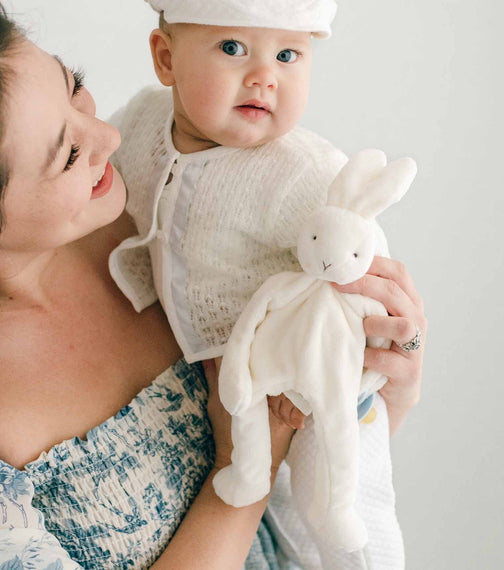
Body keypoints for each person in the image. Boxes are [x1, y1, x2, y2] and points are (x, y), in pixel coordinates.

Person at [0, 4, 426, 570]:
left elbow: (316, 465)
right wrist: (243, 464)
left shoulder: (146, 195)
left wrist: (387, 385)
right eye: (70, 154)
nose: (107, 135)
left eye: (74, 86)